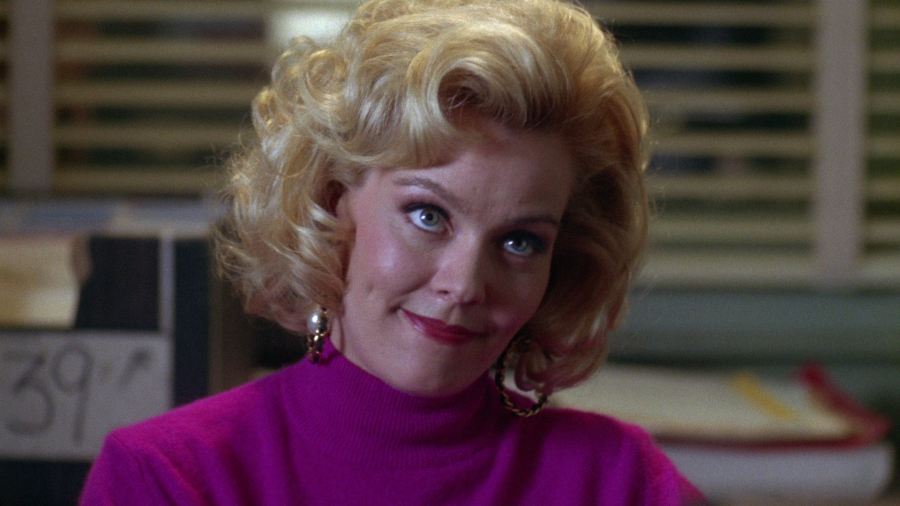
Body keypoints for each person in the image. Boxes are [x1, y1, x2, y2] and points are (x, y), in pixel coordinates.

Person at [81, 0, 703, 504]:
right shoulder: (169, 477)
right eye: (428, 215)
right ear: (332, 204)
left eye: (520, 241)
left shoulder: (620, 482)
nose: (465, 284)